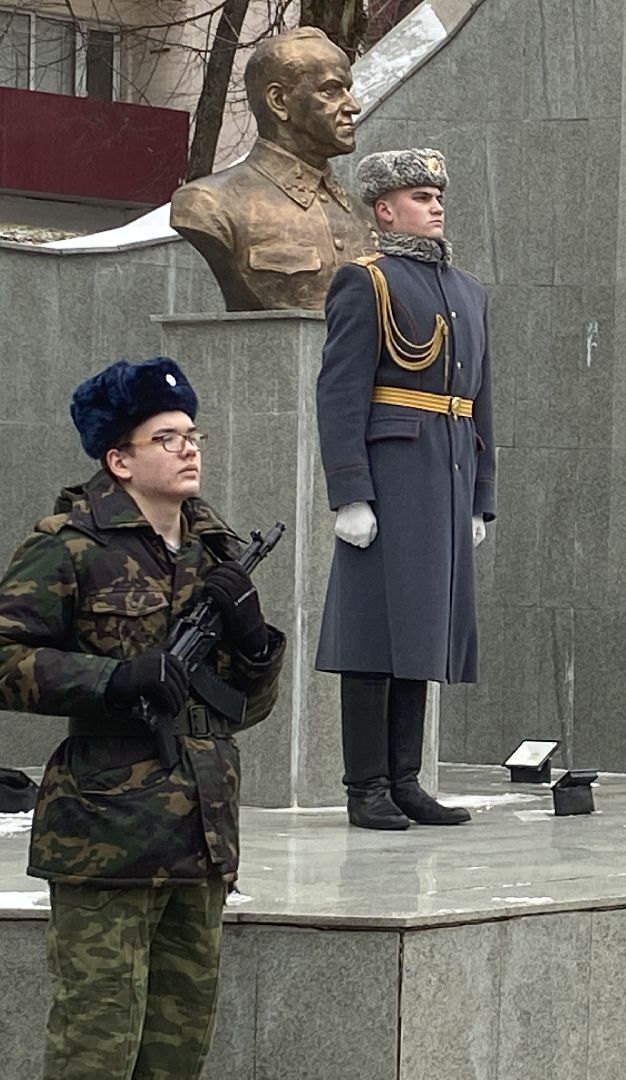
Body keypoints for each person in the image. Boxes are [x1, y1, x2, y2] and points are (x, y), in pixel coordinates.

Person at [0, 357, 287, 1079]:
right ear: (118, 459)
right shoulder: (69, 545)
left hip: (201, 833)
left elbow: (243, 710)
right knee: (95, 1050)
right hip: (106, 836)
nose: (189, 449)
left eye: (193, 434)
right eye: (166, 438)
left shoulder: (216, 550)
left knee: (176, 1052)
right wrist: (113, 678)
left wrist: (255, 644)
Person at [314, 147, 496, 830]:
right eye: (420, 197)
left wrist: (480, 496)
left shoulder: (468, 291)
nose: (435, 205)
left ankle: (404, 780)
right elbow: (340, 392)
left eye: (438, 195)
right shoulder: (367, 282)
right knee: (373, 633)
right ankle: (366, 786)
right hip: (391, 475)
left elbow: (480, 402)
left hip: (447, 474)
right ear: (385, 210)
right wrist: (350, 492)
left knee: (421, 630)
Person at [171, 27, 374, 311]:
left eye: (348, 91)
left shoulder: (365, 216)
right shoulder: (209, 204)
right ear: (279, 101)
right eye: (331, 90)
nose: (353, 106)